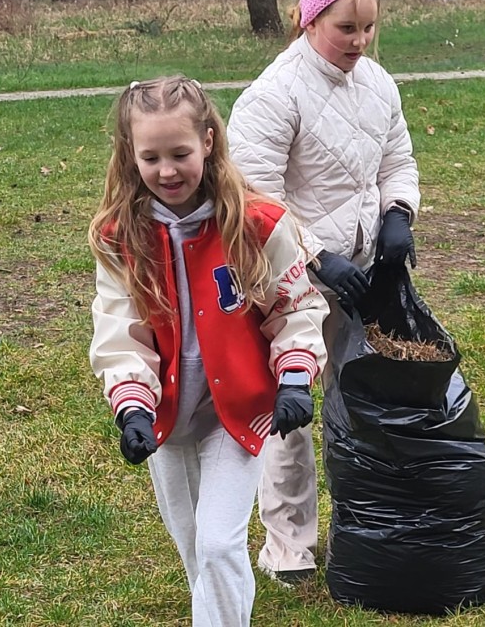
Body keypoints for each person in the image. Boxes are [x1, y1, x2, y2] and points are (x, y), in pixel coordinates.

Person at [88, 76, 329, 627]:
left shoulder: (255, 223)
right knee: (196, 548)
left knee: (220, 545)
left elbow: (295, 305)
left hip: (237, 410)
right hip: (167, 413)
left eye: (180, 154)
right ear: (130, 154)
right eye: (151, 158)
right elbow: (120, 328)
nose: (167, 171)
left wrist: (295, 376)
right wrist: (132, 406)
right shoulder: (121, 237)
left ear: (208, 142)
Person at [227, 0, 421, 587]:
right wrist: (315, 255)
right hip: (290, 283)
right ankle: (289, 545)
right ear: (309, 21)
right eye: (346, 28)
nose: (359, 41)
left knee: (358, 395)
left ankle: (362, 521)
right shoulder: (273, 95)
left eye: (369, 28)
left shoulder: (378, 83)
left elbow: (397, 159)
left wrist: (398, 214)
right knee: (290, 409)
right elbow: (254, 196)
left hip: (361, 276)